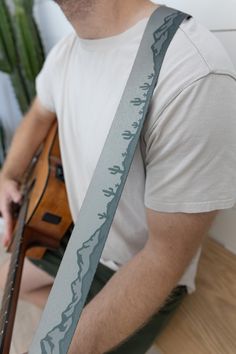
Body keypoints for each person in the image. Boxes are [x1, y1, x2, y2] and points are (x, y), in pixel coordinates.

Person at [0, 1, 236, 353]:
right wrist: (8, 175)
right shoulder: (67, 50)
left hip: (137, 268)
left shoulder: (189, 72)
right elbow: (38, 114)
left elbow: (165, 257)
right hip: (74, 238)